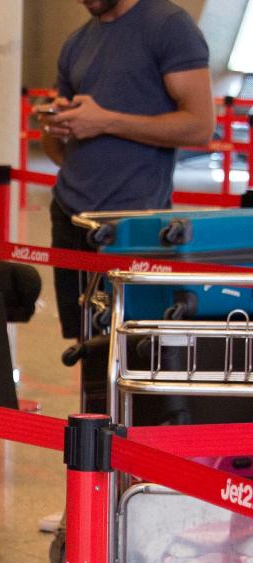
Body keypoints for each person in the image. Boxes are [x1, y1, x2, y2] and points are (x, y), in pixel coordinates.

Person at [36, 0, 214, 341]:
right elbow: (60, 152)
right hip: (71, 218)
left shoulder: (169, 26)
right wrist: (55, 126)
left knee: (136, 346)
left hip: (134, 223)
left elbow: (200, 126)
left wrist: (106, 122)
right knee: (87, 347)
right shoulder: (76, 42)